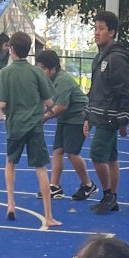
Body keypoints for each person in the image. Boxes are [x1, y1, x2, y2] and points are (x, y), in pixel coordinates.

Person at [0, 31, 57, 228]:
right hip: (34, 126)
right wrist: (43, 109)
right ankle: (48, 215)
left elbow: (3, 103)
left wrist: (6, 111)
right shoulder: (37, 72)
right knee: (41, 169)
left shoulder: (5, 73)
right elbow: (49, 101)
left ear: (12, 50)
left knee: (10, 163)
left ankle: (11, 204)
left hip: (14, 125)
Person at [85, 11, 129, 215]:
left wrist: (123, 120)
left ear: (112, 32)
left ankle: (107, 194)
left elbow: (123, 90)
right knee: (111, 157)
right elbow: (94, 90)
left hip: (110, 116)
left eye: (101, 29)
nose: (97, 33)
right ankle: (112, 196)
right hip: (100, 114)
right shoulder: (99, 57)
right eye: (95, 28)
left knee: (96, 154)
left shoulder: (116, 59)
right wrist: (87, 117)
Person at [37, 48, 94, 202]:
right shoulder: (48, 81)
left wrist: (42, 119)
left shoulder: (63, 81)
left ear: (52, 68)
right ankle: (55, 186)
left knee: (72, 152)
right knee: (57, 150)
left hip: (78, 117)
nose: (40, 71)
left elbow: (60, 106)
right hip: (65, 118)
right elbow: (47, 102)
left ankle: (88, 184)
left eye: (43, 68)